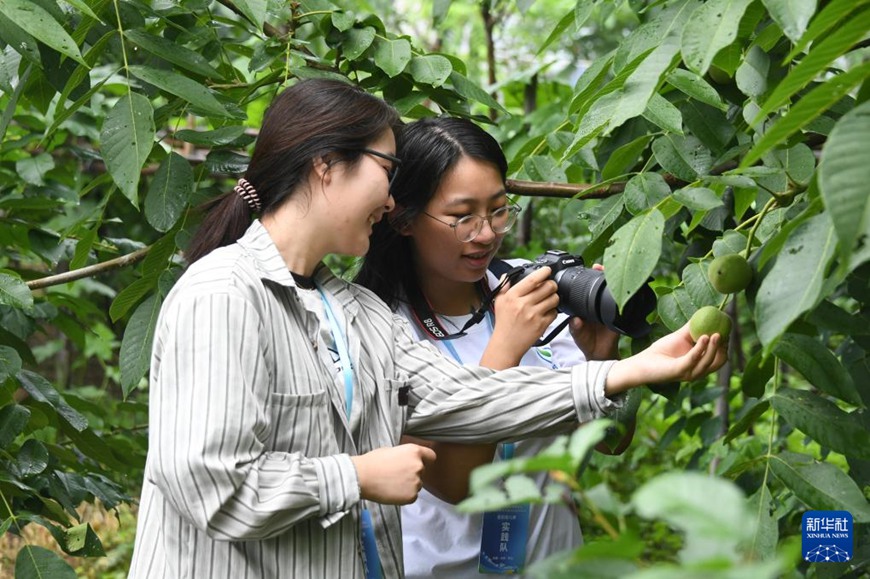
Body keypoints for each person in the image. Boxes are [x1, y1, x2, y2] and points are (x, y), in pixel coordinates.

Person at [127, 79, 727, 579]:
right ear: (327, 166)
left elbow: (460, 397)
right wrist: (356, 475)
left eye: (497, 211)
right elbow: (214, 487)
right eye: (387, 170)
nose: (391, 201)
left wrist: (630, 369)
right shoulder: (223, 293)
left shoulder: (352, 310)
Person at [355, 117, 637, 577]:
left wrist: (602, 356)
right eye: (462, 216)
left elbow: (612, 443)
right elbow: (454, 483)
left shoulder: (536, 290)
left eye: (499, 209)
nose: (485, 233)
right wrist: (504, 347)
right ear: (404, 217)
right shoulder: (379, 327)